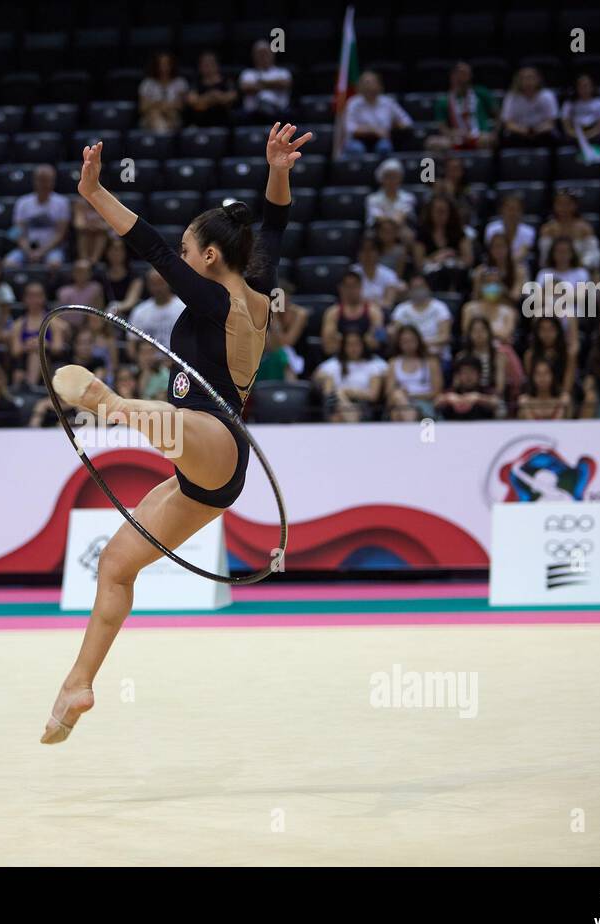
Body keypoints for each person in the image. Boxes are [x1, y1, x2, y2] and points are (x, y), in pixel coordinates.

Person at [41, 123, 307, 744]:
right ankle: (76, 683)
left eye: (193, 253)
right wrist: (278, 170)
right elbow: (275, 224)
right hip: (201, 477)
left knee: (183, 423)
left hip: (217, 439)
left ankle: (109, 403)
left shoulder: (221, 301)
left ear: (210, 257)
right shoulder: (258, 284)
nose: (184, 262)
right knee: (114, 564)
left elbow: (151, 246)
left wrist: (93, 192)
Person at [4, 165, 71, 268]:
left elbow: (60, 234)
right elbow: (17, 232)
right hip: (26, 250)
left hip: (52, 250)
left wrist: (41, 252)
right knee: (9, 263)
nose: (44, 184)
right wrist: (29, 251)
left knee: (54, 264)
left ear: (53, 182)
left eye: (47, 181)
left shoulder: (62, 203)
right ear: (34, 181)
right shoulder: (22, 202)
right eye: (41, 180)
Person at [313, 330, 386, 423]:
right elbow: (316, 379)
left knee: (338, 401)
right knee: (335, 407)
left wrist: (348, 392)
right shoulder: (333, 364)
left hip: (363, 406)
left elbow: (373, 395)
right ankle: (353, 425)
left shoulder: (373, 365)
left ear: (363, 345)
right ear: (343, 346)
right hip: (335, 406)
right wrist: (323, 379)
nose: (353, 348)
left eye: (357, 344)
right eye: (349, 344)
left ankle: (352, 423)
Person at [427, 61, 498, 152]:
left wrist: (494, 133)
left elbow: (498, 115)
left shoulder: (480, 93)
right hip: (457, 137)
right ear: (452, 76)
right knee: (432, 142)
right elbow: (442, 127)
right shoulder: (443, 100)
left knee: (487, 139)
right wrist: (451, 134)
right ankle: (448, 165)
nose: (462, 77)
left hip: (479, 135)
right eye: (460, 72)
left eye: (466, 73)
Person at [341, 71, 412, 155]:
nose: (369, 86)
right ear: (359, 87)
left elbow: (407, 122)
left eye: (372, 83)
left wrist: (395, 125)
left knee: (385, 148)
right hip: (358, 140)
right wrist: (374, 130)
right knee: (356, 149)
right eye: (366, 83)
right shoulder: (353, 103)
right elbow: (350, 128)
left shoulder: (388, 102)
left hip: (381, 140)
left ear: (379, 85)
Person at [384, 324, 442, 422]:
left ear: (418, 341)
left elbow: (436, 392)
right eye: (404, 341)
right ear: (399, 343)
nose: (408, 344)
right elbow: (389, 392)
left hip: (425, 404)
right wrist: (403, 397)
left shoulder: (431, 362)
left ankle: (409, 425)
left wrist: (410, 395)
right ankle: (411, 425)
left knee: (398, 408)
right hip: (399, 402)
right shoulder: (394, 363)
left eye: (412, 340)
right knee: (397, 398)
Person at [388, 275, 452, 361]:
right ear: (410, 290)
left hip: (436, 354)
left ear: (428, 288)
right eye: (415, 287)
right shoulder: (401, 309)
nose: (418, 290)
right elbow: (397, 334)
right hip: (408, 354)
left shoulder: (440, 307)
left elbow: (445, 336)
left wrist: (420, 344)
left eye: (421, 287)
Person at [321, 270, 384, 356]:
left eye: (354, 286)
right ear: (340, 288)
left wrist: (342, 341)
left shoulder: (375, 311)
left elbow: (379, 343)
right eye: (347, 286)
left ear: (361, 287)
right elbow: (328, 347)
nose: (351, 290)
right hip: (340, 359)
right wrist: (364, 340)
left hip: (369, 359)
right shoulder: (332, 313)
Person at [498, 67, 558, 147]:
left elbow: (551, 122)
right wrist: (524, 130)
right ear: (519, 80)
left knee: (553, 137)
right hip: (519, 132)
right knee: (504, 138)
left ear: (538, 79)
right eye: (525, 78)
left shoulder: (547, 95)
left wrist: (536, 130)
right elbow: (508, 123)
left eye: (532, 78)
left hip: (541, 131)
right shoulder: (511, 97)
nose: (528, 81)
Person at [561, 74, 600, 161]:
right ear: (576, 88)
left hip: (594, 133)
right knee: (565, 140)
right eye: (581, 86)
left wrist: (587, 135)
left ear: (592, 87)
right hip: (575, 133)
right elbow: (567, 127)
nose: (584, 89)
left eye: (587, 85)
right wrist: (577, 135)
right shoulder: (569, 103)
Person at [238, 41, 291, 119]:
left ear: (272, 54)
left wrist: (259, 84)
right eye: (259, 54)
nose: (263, 56)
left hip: (279, 113)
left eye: (265, 53)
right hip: (252, 114)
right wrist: (273, 85)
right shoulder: (247, 73)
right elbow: (245, 88)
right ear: (254, 56)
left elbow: (285, 84)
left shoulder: (282, 72)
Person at [436, 356, 499, 421]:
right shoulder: (452, 391)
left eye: (472, 372)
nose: (468, 376)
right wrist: (448, 398)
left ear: (479, 374)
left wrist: (478, 398)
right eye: (464, 372)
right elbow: (436, 402)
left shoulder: (485, 390)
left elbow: (495, 402)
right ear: (458, 375)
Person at [139, 51, 189, 133]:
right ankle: (164, 137)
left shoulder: (180, 82)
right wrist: (160, 104)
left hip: (173, 116)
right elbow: (142, 107)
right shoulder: (147, 83)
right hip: (150, 118)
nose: (164, 67)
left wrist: (160, 105)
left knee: (171, 114)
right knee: (154, 114)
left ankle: (163, 138)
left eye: (167, 63)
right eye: (161, 64)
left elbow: (181, 106)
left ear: (172, 65)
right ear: (156, 65)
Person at [185, 51, 237, 126]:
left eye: (211, 64)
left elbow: (231, 98)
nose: (208, 67)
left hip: (224, 121)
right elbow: (193, 102)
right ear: (200, 67)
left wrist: (205, 100)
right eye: (205, 64)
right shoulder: (196, 82)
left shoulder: (227, 80)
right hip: (201, 122)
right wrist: (213, 96)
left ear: (217, 65)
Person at [365, 157, 415, 230]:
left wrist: (388, 219)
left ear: (400, 178)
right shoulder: (372, 199)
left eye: (395, 177)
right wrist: (391, 220)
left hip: (400, 233)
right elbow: (379, 219)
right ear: (381, 179)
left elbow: (401, 218)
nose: (391, 180)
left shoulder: (409, 198)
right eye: (388, 177)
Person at [101, 236, 144, 314]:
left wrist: (115, 308)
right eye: (113, 249)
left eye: (119, 249)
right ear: (106, 252)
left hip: (128, 317)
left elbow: (130, 302)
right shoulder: (100, 276)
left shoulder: (134, 276)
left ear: (125, 252)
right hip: (104, 318)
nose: (116, 253)